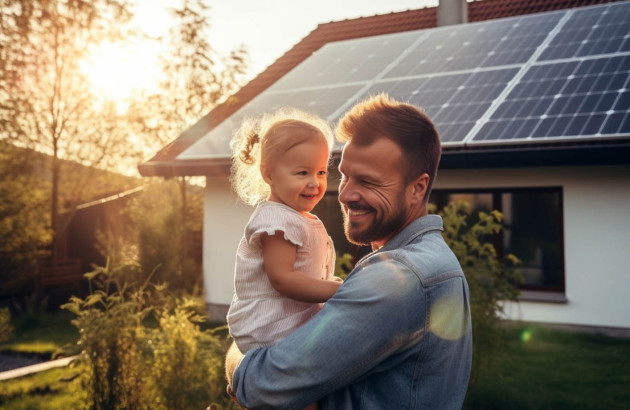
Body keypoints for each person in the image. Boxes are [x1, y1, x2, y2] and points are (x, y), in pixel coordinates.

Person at [226, 94, 472, 409]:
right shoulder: (433, 260)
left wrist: (238, 356)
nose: (345, 194)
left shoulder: (398, 279)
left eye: (368, 181)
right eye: (344, 175)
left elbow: (262, 386)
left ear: (418, 188)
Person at [226, 107, 343, 397]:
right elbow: (283, 279)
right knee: (306, 390)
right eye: (302, 172)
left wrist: (330, 285)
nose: (314, 182)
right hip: (271, 327)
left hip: (287, 325)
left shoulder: (298, 217)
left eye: (320, 172)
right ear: (269, 174)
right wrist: (333, 291)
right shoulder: (276, 219)